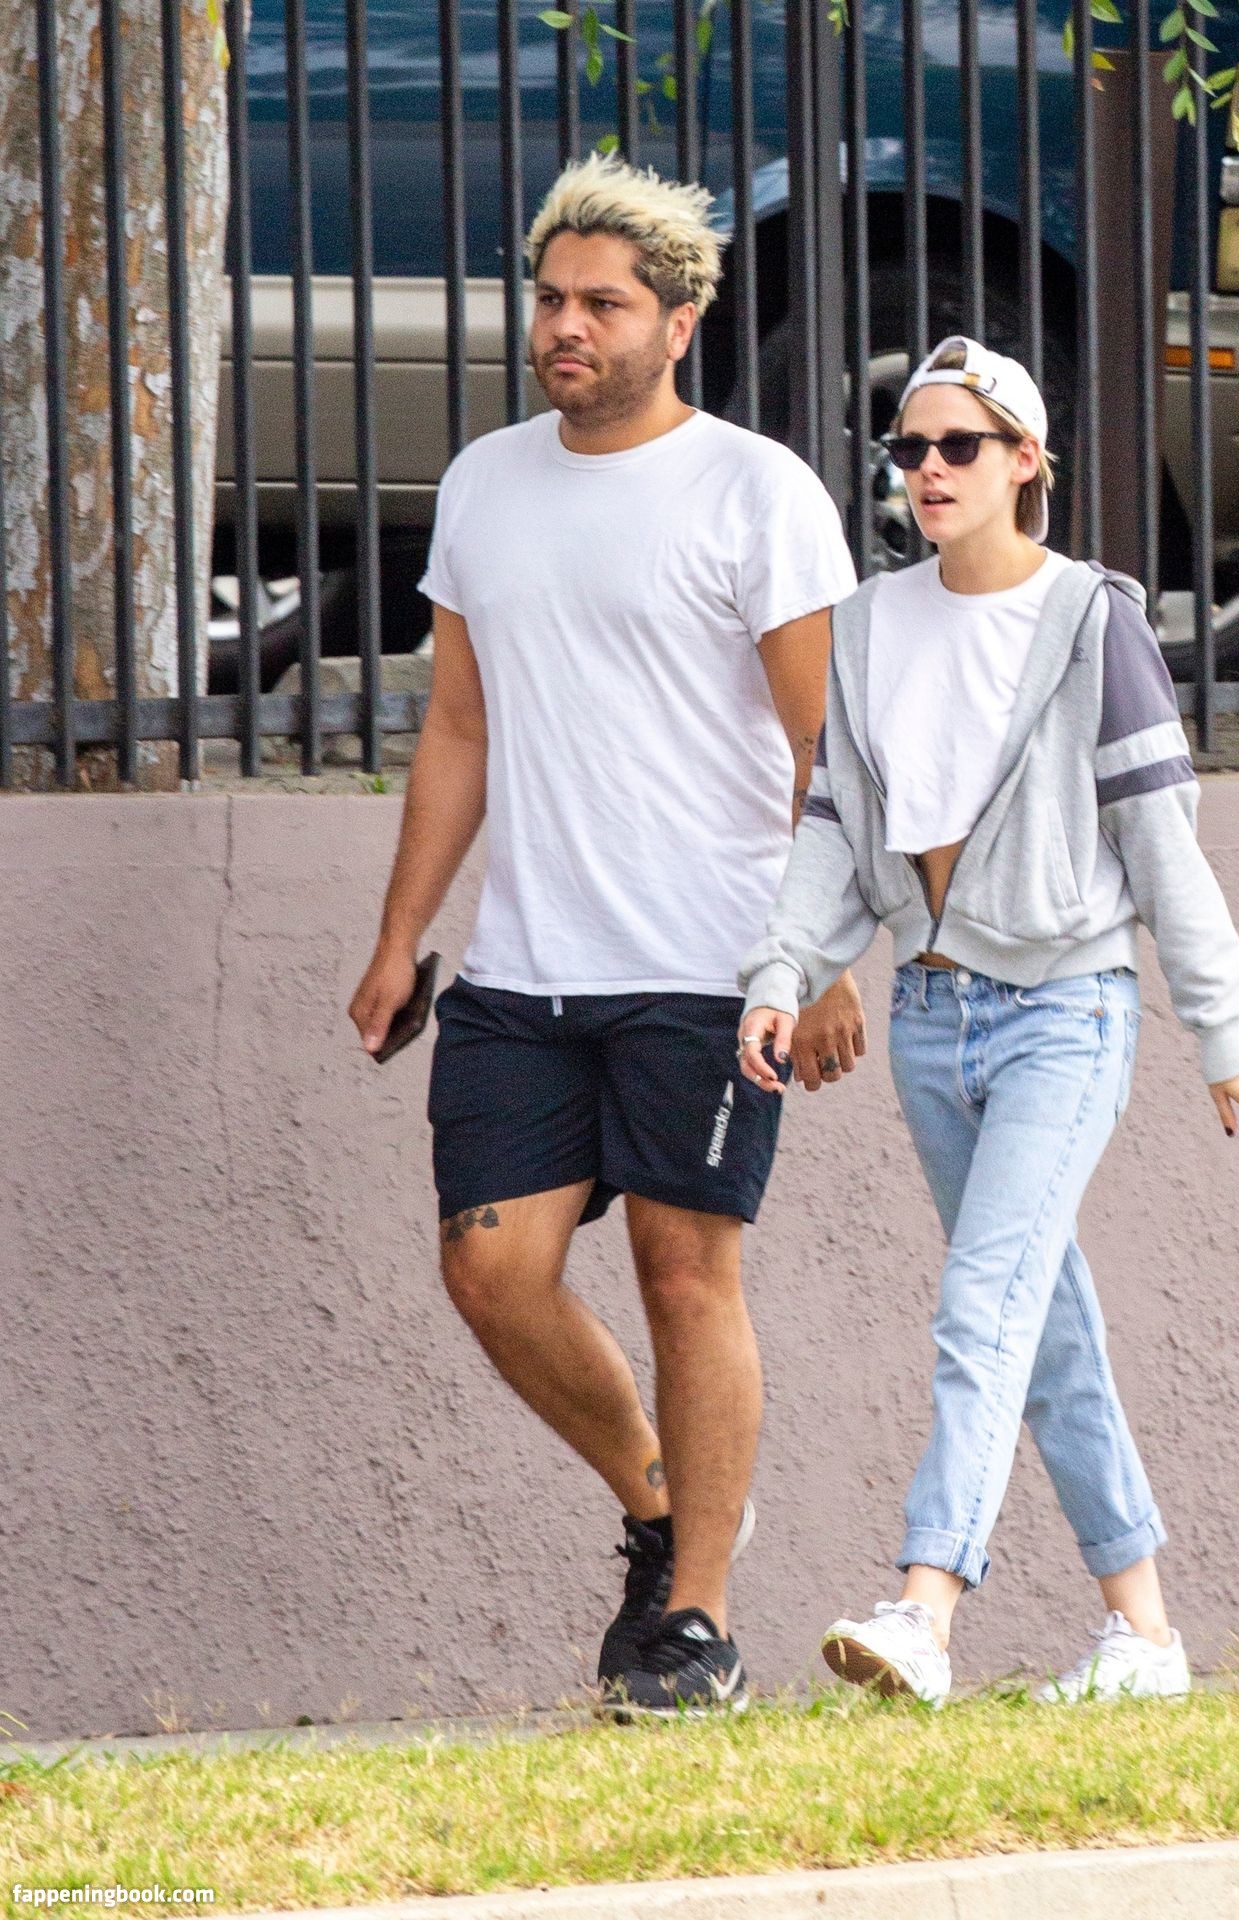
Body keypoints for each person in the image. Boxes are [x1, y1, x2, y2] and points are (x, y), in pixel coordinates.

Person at [348, 154, 860, 1717]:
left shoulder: (756, 491)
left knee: (683, 1270)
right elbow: (457, 725)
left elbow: (823, 747)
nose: (567, 326)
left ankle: (696, 1623)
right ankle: (662, 1504)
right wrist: (401, 934)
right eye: (552, 299)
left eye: (605, 305)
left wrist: (822, 956)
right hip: (524, 971)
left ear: (680, 322)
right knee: (490, 1270)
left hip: (711, 966)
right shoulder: (485, 484)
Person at [736, 335, 1239, 1707]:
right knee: (1046, 1330)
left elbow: (1160, 837)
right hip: (930, 1014)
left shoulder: (1089, 620)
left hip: (1066, 1013)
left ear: (1026, 460)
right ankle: (1144, 1638)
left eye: (958, 446)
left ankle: (926, 1606)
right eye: (909, 448)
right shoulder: (867, 625)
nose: (928, 469)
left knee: (982, 1305)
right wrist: (781, 973)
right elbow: (830, 826)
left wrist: (1223, 1031)